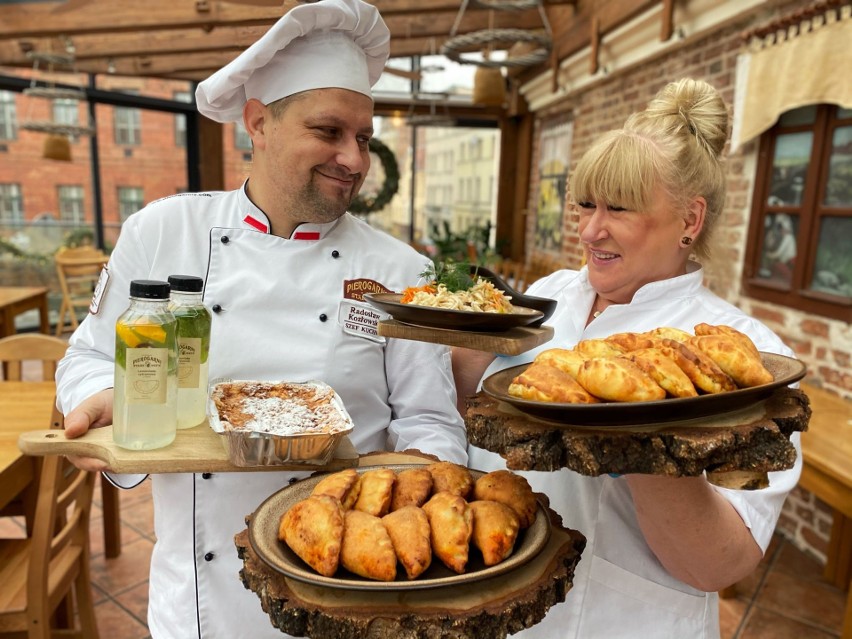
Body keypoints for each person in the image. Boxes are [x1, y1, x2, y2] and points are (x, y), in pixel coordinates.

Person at [55, 0, 467, 636]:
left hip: (350, 592)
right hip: (201, 596)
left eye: (363, 138)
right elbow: (85, 356)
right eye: (328, 131)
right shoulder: (164, 232)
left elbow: (430, 422)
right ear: (258, 124)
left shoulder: (403, 269)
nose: (355, 159)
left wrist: (409, 507)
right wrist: (108, 398)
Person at [453, 78, 799, 639]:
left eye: (620, 209)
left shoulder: (747, 355)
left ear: (690, 220)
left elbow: (723, 563)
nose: (591, 230)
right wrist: (459, 337)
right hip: (497, 592)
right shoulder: (552, 294)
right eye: (586, 205)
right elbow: (486, 410)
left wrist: (633, 436)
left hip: (622, 617)